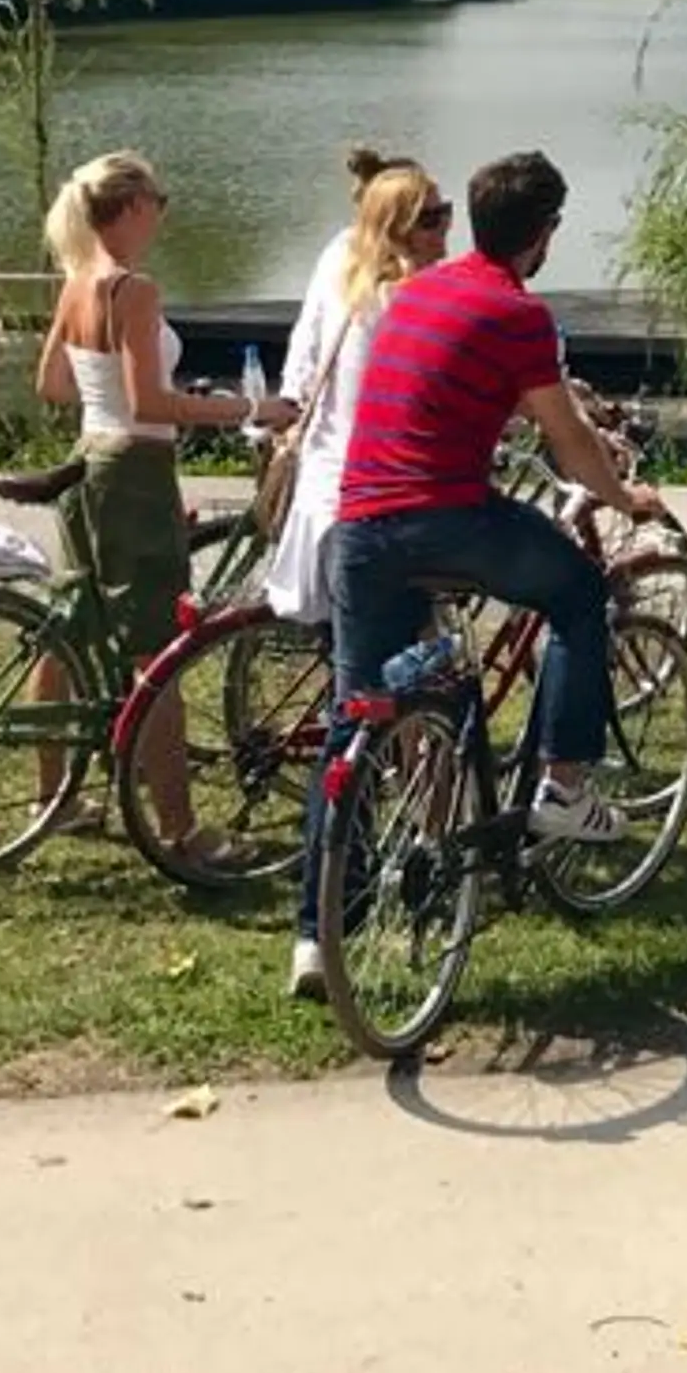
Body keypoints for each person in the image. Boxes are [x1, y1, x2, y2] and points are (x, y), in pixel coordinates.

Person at [328, 149, 661, 860]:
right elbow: (567, 439)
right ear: (546, 232)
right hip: (445, 519)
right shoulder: (519, 312)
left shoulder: (416, 292)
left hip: (356, 525)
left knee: (353, 720)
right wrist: (623, 498)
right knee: (577, 594)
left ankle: (320, 933)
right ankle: (564, 788)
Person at [33, 150, 298, 872]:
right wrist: (250, 408)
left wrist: (107, 396)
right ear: (130, 208)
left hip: (89, 460)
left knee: (72, 630)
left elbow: (53, 383)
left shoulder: (78, 281)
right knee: (161, 652)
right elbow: (151, 404)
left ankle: (51, 798)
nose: (164, 213)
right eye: (160, 200)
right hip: (135, 468)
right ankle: (180, 829)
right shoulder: (132, 289)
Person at [265, 146, 454, 1002]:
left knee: (354, 711)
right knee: (410, 697)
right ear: (407, 228)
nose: (451, 230)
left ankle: (315, 932)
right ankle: (413, 864)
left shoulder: (335, 265)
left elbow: (300, 376)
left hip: (325, 513)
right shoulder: (419, 301)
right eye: (439, 216)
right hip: (391, 517)